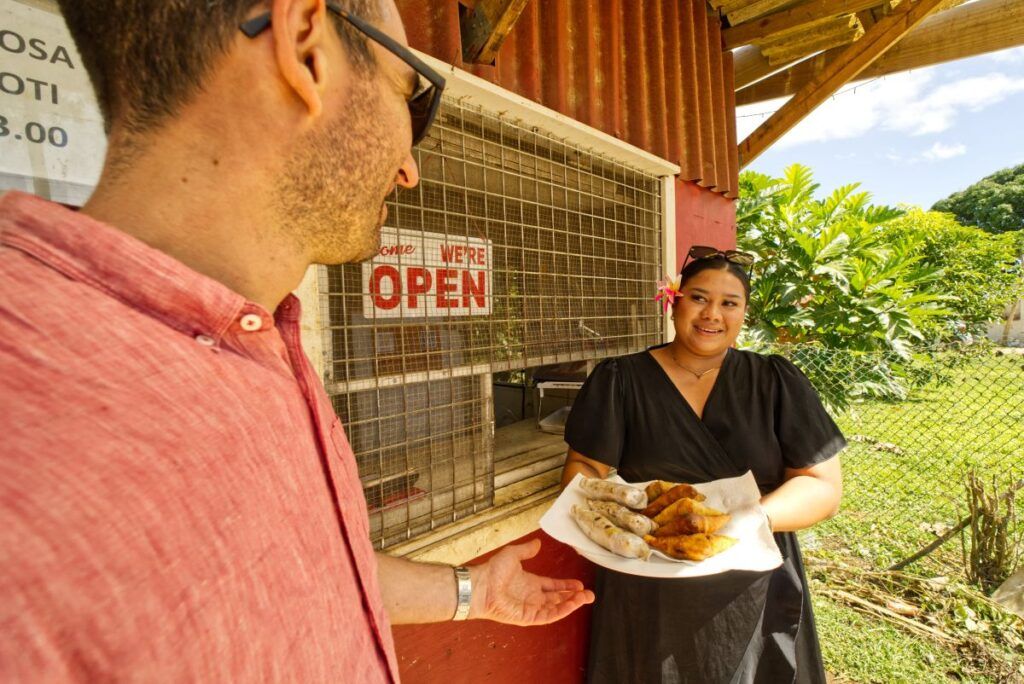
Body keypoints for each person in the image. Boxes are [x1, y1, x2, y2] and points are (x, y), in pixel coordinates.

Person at [0, 1, 593, 680]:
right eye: (412, 98)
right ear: (307, 47)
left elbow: (290, 568)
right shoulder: (24, 423)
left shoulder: (257, 333)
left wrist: (469, 592)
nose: (409, 170)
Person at [561, 246, 844, 684]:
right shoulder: (619, 379)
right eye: (698, 297)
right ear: (673, 300)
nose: (712, 313)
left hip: (752, 579)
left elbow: (821, 485)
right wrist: (614, 516)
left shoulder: (774, 381)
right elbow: (586, 468)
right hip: (648, 579)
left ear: (744, 312)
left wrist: (746, 520)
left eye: (729, 303)